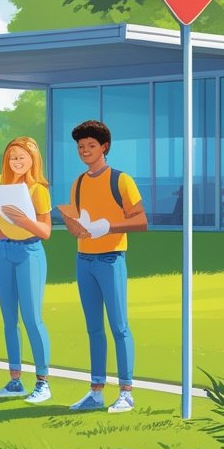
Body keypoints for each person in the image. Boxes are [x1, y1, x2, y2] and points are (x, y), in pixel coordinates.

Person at [58, 120, 148, 413]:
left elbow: (140, 221)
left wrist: (108, 227)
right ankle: (96, 390)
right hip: (83, 260)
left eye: (90, 146)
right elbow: (75, 229)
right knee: (93, 328)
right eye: (81, 147)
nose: (84, 151)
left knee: (119, 327)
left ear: (104, 147)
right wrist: (72, 223)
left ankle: (126, 391)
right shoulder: (79, 182)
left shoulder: (121, 180)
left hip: (111, 258)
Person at [0, 137, 52, 403]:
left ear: (33, 159)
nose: (16, 162)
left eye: (21, 157)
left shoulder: (38, 191)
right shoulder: (5, 189)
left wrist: (23, 219)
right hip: (5, 252)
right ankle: (15, 380)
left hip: (30, 253)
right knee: (10, 320)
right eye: (12, 158)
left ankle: (43, 381)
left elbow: (45, 232)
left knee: (32, 318)